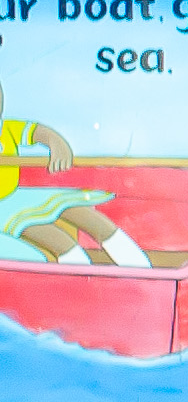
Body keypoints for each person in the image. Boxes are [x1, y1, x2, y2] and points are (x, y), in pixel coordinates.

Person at [0, 92, 146, 269]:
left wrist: (58, 144)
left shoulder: (6, 128)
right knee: (62, 243)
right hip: (4, 211)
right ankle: (82, 281)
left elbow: (41, 133)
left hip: (19, 196)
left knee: (93, 220)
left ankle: (143, 270)